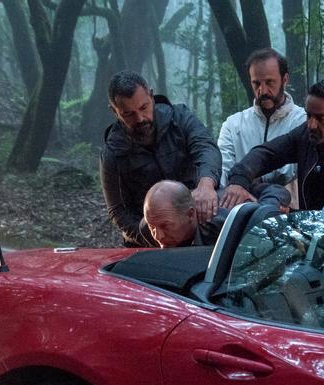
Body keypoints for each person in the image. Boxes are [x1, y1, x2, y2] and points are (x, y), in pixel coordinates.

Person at [100, 71, 221, 247]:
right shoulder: (112, 153)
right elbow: (118, 212)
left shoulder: (180, 117)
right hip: (149, 239)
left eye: (143, 108)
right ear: (115, 112)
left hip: (198, 223)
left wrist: (206, 184)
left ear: (151, 95)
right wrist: (160, 235)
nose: (140, 119)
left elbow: (206, 148)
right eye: (129, 114)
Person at [221, 79, 324, 212]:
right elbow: (267, 153)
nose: (311, 125)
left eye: (320, 118)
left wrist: (292, 217)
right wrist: (238, 181)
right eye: (309, 115)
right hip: (312, 240)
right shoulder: (307, 136)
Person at [217, 48, 306, 190]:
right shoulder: (233, 125)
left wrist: (252, 178)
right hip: (238, 206)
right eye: (256, 83)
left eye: (269, 82)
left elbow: (298, 170)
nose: (262, 90)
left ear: (285, 79)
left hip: (286, 208)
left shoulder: (303, 121)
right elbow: (221, 170)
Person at [143, 180, 292, 248]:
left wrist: (262, 214)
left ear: (190, 214)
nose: (158, 236)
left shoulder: (226, 218)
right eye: (152, 227)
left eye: (166, 226)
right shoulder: (149, 225)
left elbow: (277, 190)